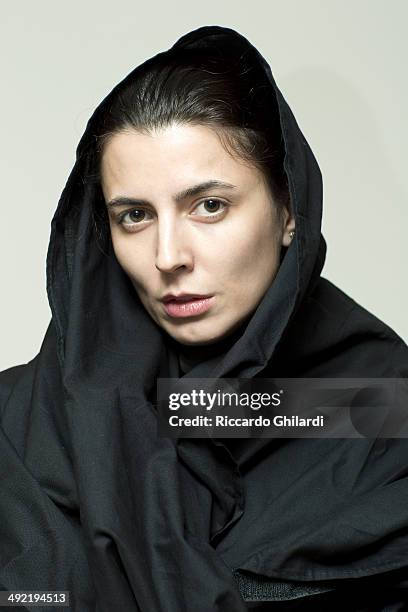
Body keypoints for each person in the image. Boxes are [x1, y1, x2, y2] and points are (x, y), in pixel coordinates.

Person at [1, 25, 407, 611]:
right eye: (135, 216)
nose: (168, 257)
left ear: (289, 210)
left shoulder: (382, 412)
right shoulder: (21, 425)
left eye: (209, 206)